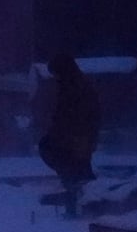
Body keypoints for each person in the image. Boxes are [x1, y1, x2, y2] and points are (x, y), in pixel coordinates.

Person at [38, 54, 101, 205]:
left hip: (76, 137)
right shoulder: (71, 85)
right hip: (72, 137)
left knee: (75, 169)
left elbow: (74, 115)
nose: (55, 78)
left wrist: (68, 134)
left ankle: (86, 200)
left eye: (56, 74)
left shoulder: (75, 87)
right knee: (76, 169)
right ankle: (82, 199)